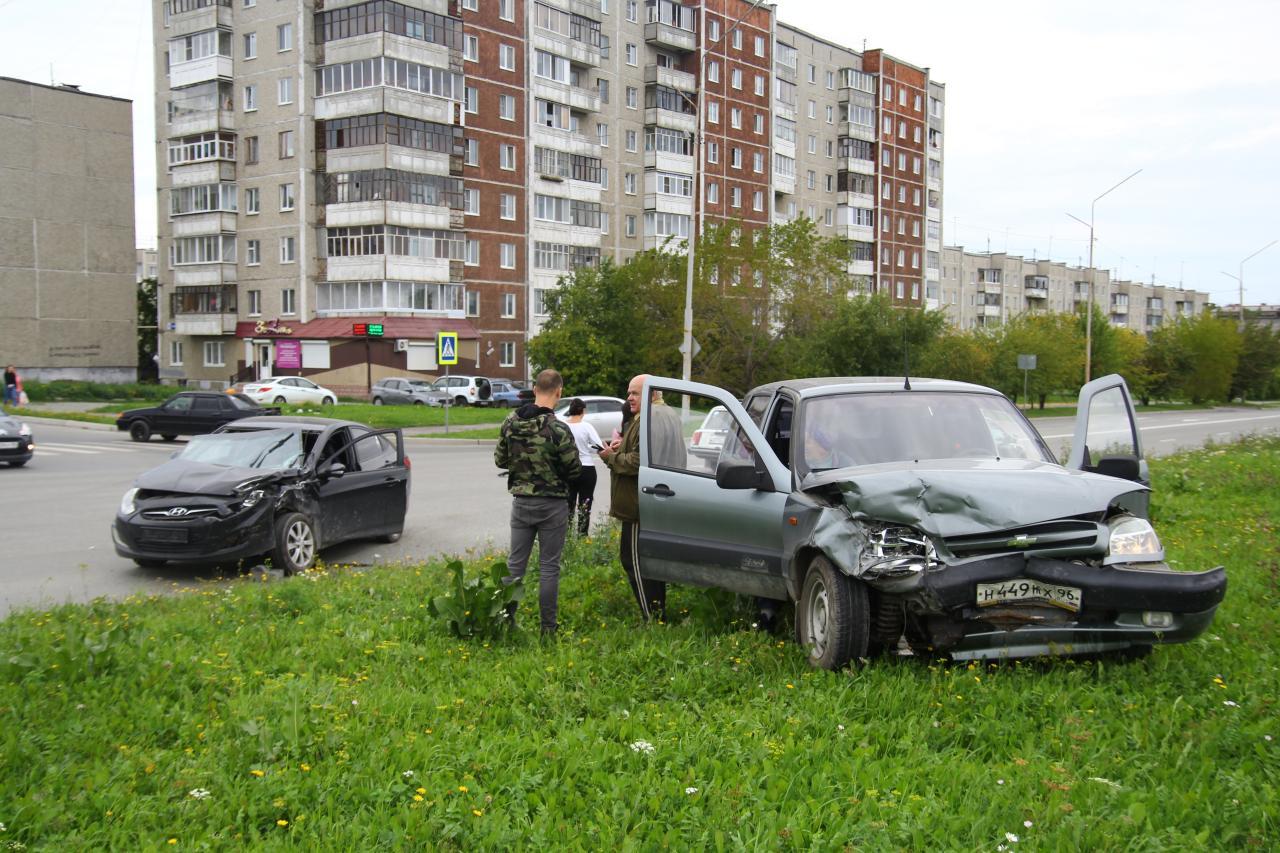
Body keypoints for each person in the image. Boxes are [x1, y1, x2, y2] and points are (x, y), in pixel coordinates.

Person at [494, 369, 582, 636]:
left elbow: (500, 460)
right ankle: (548, 629)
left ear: (534, 390)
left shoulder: (510, 422)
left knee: (515, 566)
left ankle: (504, 622)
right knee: (548, 567)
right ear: (559, 391)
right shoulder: (558, 429)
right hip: (552, 505)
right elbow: (574, 469)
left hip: (521, 502)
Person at [600, 374, 684, 622]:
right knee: (650, 562)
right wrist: (620, 447)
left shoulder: (651, 417)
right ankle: (657, 614)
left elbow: (640, 462)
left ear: (652, 394)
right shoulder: (667, 413)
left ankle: (653, 619)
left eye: (635, 393)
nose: (629, 398)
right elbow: (645, 451)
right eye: (629, 393)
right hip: (658, 497)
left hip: (641, 502)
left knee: (634, 560)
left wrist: (610, 458)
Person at [562, 398, 602, 537]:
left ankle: (566, 535)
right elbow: (598, 446)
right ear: (582, 411)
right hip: (587, 469)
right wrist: (588, 448)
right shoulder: (586, 426)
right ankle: (582, 535)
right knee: (585, 504)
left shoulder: (562, 425)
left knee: (568, 504)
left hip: (568, 468)